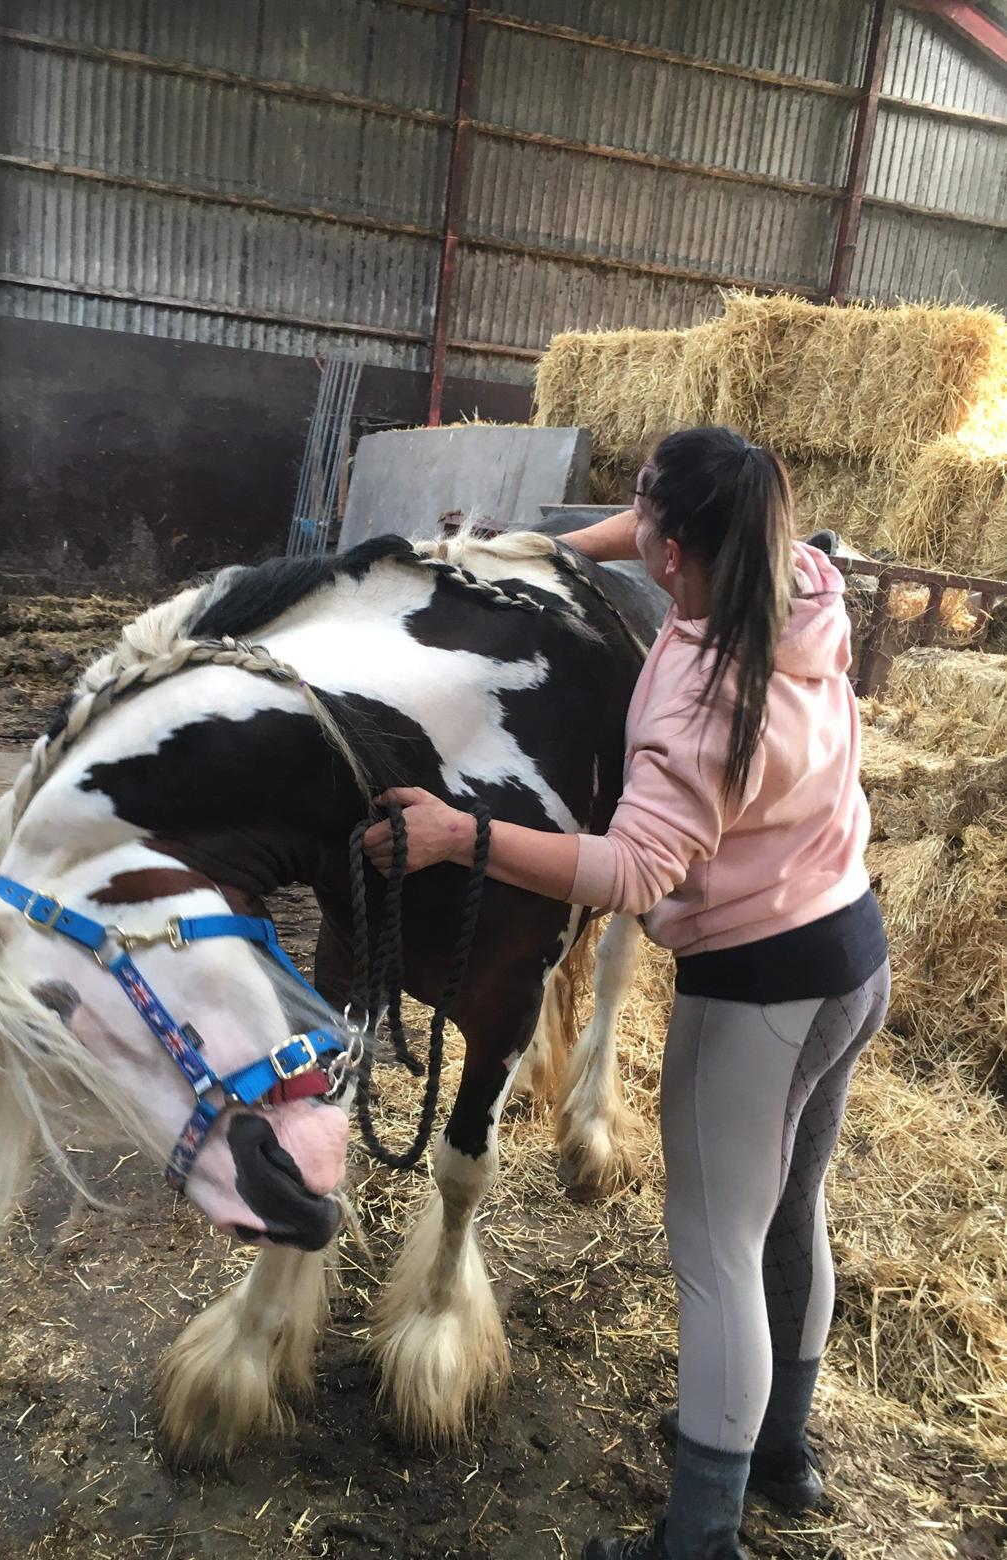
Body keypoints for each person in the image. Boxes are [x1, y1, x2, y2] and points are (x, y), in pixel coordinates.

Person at [363, 426, 889, 1560]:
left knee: (716, 1254)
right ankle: (780, 1453)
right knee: (793, 1214)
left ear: (670, 555)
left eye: (640, 515)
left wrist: (464, 832)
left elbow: (633, 873)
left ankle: (700, 1536)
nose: (624, 521)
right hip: (852, 949)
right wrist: (529, 543)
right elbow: (633, 533)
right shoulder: (799, 579)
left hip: (761, 984)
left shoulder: (701, 700)